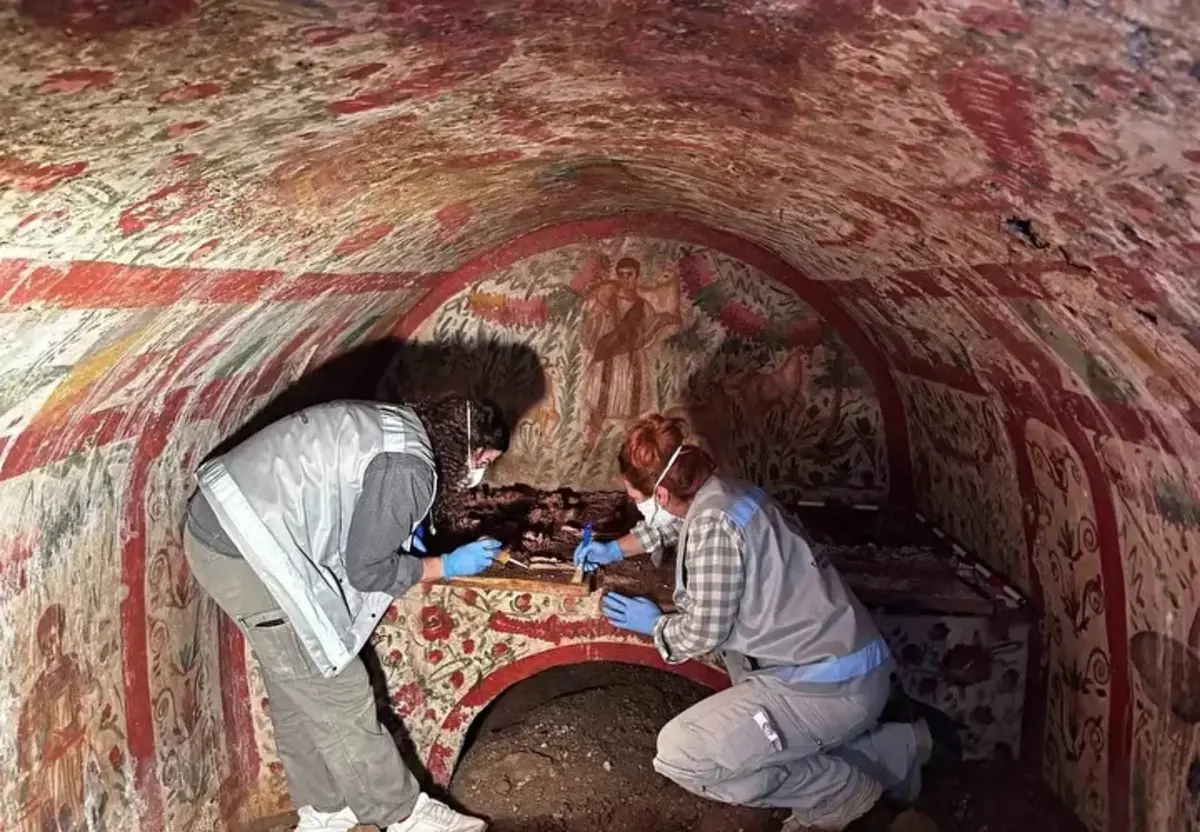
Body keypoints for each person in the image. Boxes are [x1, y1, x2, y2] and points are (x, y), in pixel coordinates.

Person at [573, 414, 936, 831]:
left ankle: (837, 793)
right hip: (850, 670)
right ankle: (899, 751)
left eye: (635, 497)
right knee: (763, 740)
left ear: (662, 492)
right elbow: (673, 524)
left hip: (821, 686)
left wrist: (656, 625)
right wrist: (615, 550)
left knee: (682, 754)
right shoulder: (724, 492)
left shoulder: (714, 524)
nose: (636, 506)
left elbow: (703, 633)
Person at [184, 395, 508, 832]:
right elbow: (367, 570)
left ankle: (324, 810)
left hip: (225, 524)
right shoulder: (409, 468)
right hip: (243, 551)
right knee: (338, 687)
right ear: (465, 444)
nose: (479, 473)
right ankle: (403, 816)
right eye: (484, 460)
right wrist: (444, 565)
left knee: (296, 686)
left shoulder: (401, 426)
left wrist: (405, 538)